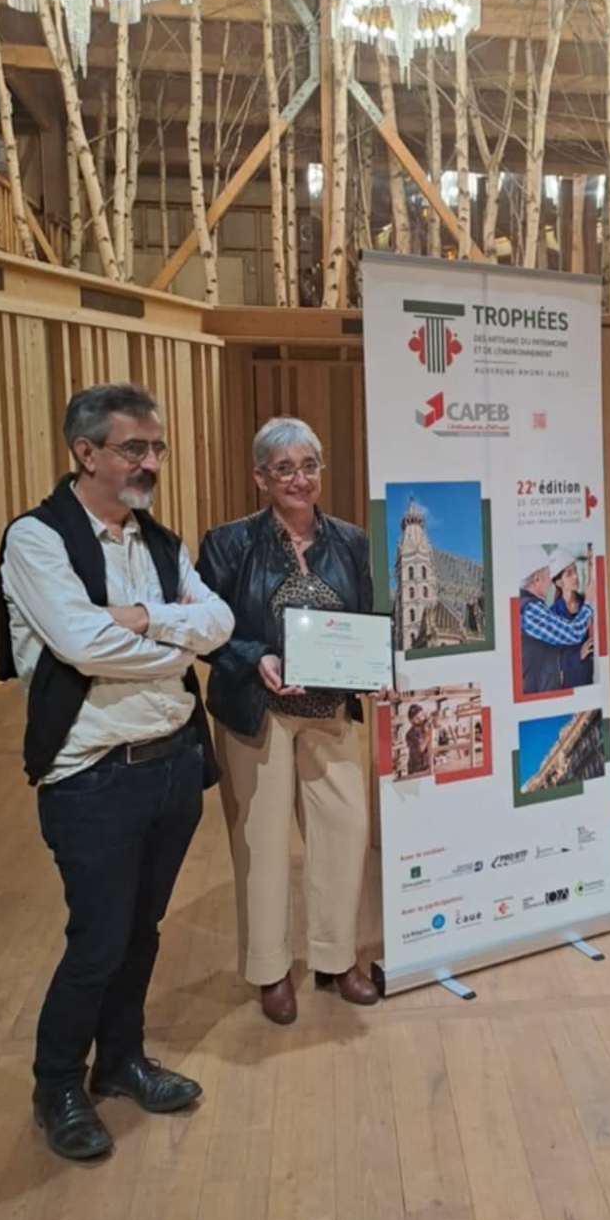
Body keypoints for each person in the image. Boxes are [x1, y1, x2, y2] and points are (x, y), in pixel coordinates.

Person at [0, 383, 235, 1163]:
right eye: (135, 447)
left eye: (157, 447)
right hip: (92, 778)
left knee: (140, 933)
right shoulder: (37, 540)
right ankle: (57, 1084)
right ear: (86, 452)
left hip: (173, 767)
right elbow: (83, 645)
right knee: (97, 941)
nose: (151, 462)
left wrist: (147, 620)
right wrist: (176, 642)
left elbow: (220, 621)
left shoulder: (158, 543)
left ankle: (121, 1061)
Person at [197, 418, 379, 1021]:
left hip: (329, 711)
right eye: (284, 469)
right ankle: (270, 970)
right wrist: (257, 658)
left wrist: (373, 668)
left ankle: (336, 957)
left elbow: (365, 619)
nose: (299, 479)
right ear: (261, 477)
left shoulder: (352, 541)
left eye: (308, 466)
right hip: (260, 714)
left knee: (345, 831)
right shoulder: (228, 544)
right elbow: (206, 633)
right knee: (262, 843)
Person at [518, 562, 594, 695]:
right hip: (541, 693)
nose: (550, 581)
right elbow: (573, 633)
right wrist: (589, 602)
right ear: (537, 579)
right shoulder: (531, 610)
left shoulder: (538, 609)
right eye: (548, 575)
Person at [552, 548, 595, 690]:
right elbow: (553, 659)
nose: (576, 576)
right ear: (559, 583)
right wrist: (579, 655)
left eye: (575, 570)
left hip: (593, 676)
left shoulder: (588, 604)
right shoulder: (553, 614)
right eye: (569, 574)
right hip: (572, 682)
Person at [405, 704, 432, 776]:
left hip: (428, 766)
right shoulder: (411, 733)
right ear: (411, 720)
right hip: (417, 770)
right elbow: (421, 748)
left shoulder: (425, 728)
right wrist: (429, 734)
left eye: (422, 715)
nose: (421, 719)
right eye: (417, 718)